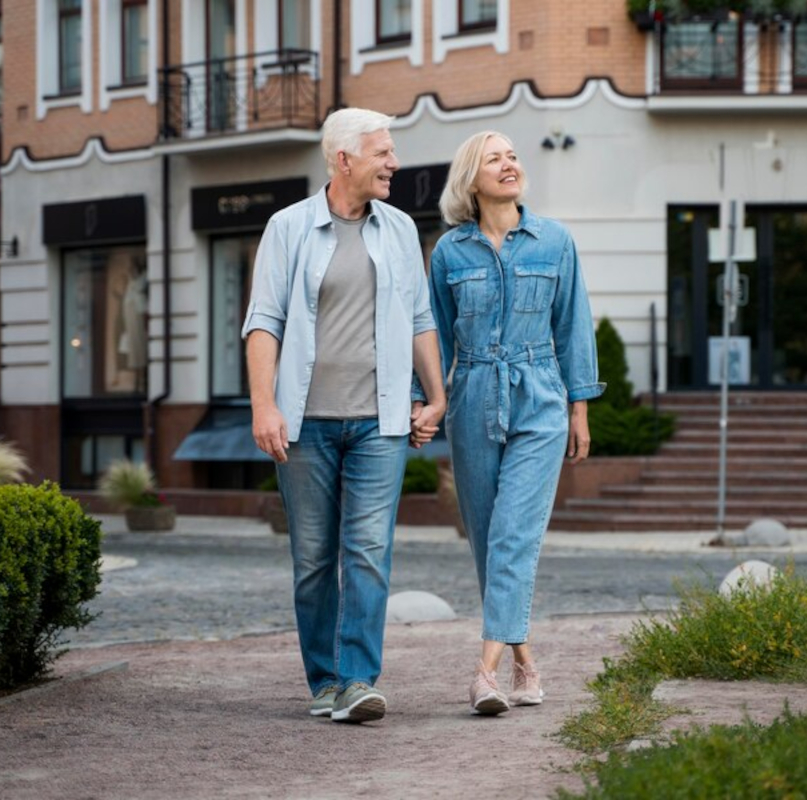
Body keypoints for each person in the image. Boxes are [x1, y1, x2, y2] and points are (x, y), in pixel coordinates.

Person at [242, 108, 446, 724]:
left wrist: (435, 395)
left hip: (380, 422)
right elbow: (264, 322)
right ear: (344, 160)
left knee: (365, 551)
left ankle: (358, 680)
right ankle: (324, 681)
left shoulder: (402, 229)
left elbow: (419, 318)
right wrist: (263, 404)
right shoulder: (289, 227)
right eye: (383, 153)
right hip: (305, 425)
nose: (395, 163)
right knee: (312, 561)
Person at [425, 131, 603, 715]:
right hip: (473, 395)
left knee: (513, 535)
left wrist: (579, 408)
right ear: (471, 180)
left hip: (541, 395)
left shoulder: (555, 242)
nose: (508, 165)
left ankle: (485, 673)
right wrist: (426, 400)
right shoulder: (450, 253)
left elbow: (574, 326)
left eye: (512, 156)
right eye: (493, 159)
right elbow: (433, 336)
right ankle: (527, 665)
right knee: (488, 540)